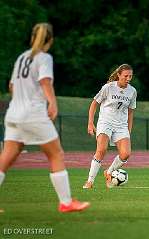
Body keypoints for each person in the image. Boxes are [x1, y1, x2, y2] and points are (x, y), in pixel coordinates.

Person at [0, 23, 90, 213]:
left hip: (13, 113)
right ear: (50, 40)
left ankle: (66, 202)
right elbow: (45, 81)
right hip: (33, 113)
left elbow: (11, 86)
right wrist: (52, 102)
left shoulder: (21, 57)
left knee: (6, 159)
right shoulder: (44, 58)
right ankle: (66, 202)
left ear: (32, 37)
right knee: (55, 154)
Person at [82, 64, 137, 189]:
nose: (128, 78)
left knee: (126, 154)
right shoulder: (108, 88)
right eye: (126, 76)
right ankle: (90, 181)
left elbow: (131, 112)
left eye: (130, 76)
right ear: (119, 75)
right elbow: (94, 103)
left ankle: (108, 172)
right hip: (105, 122)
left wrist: (128, 129)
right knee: (101, 150)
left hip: (121, 125)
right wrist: (90, 122)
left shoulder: (132, 91)